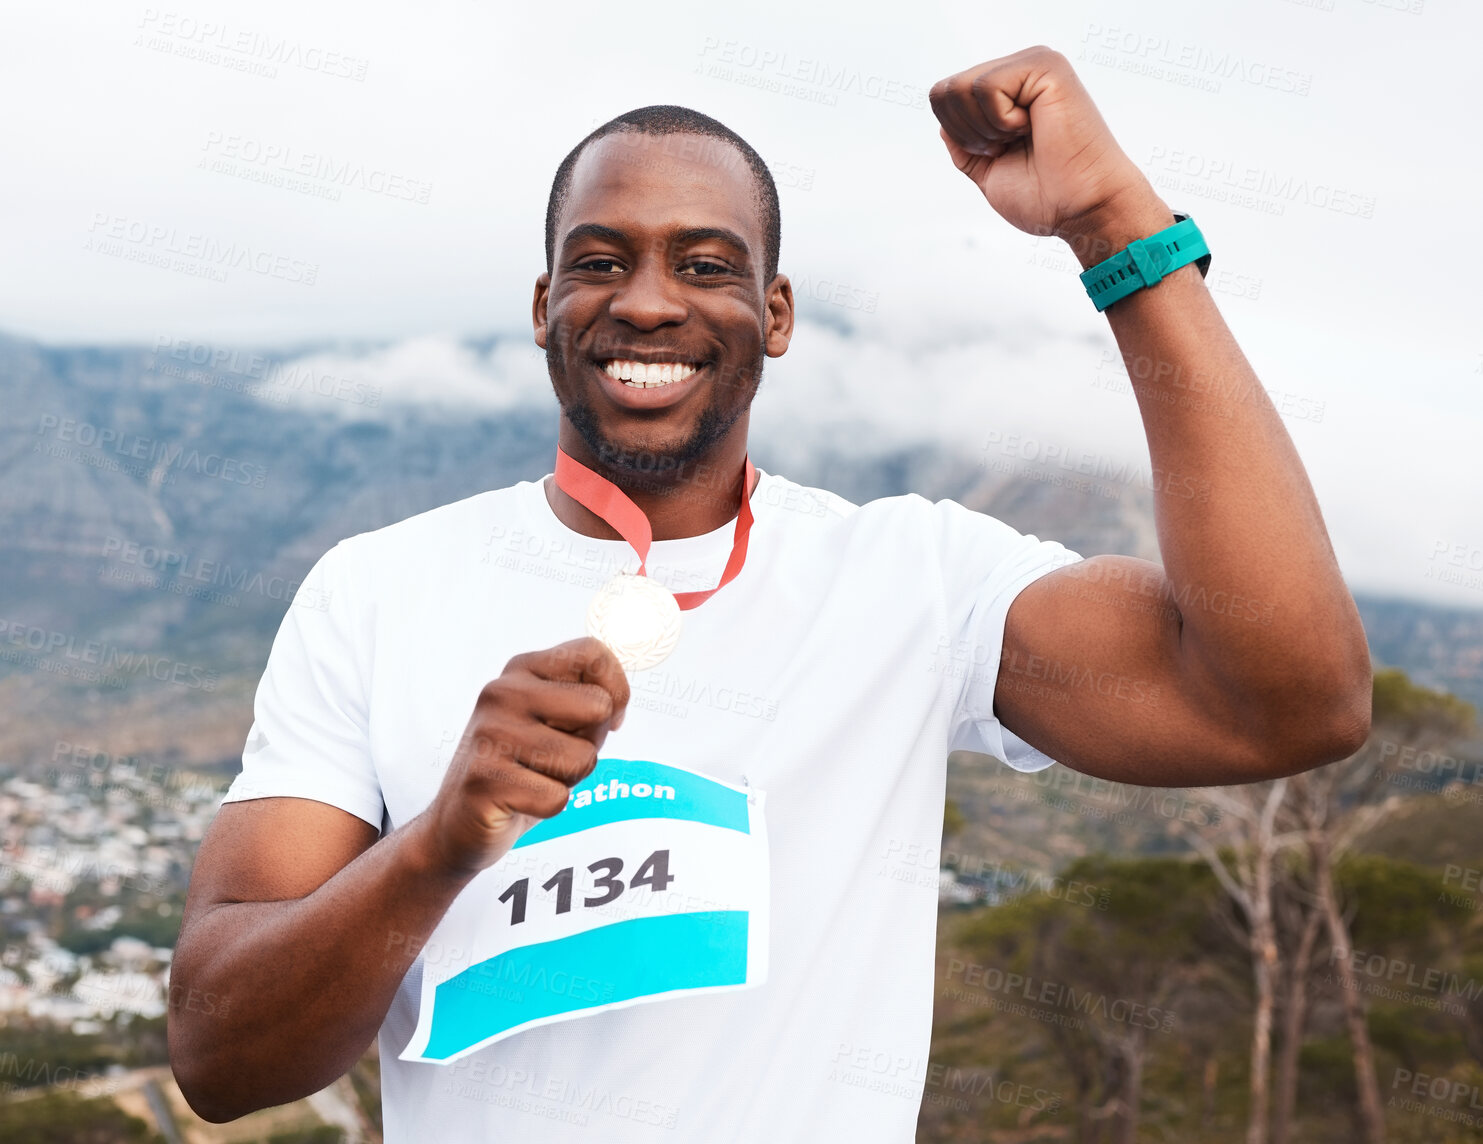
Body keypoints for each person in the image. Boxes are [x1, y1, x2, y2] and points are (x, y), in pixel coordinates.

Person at [167, 46, 1371, 1141]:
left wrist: (1115, 224)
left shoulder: (914, 579)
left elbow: (1289, 700)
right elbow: (219, 1052)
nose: (648, 301)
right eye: (599, 262)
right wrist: (438, 844)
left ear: (774, 315)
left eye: (706, 264)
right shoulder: (376, 590)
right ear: (543, 309)